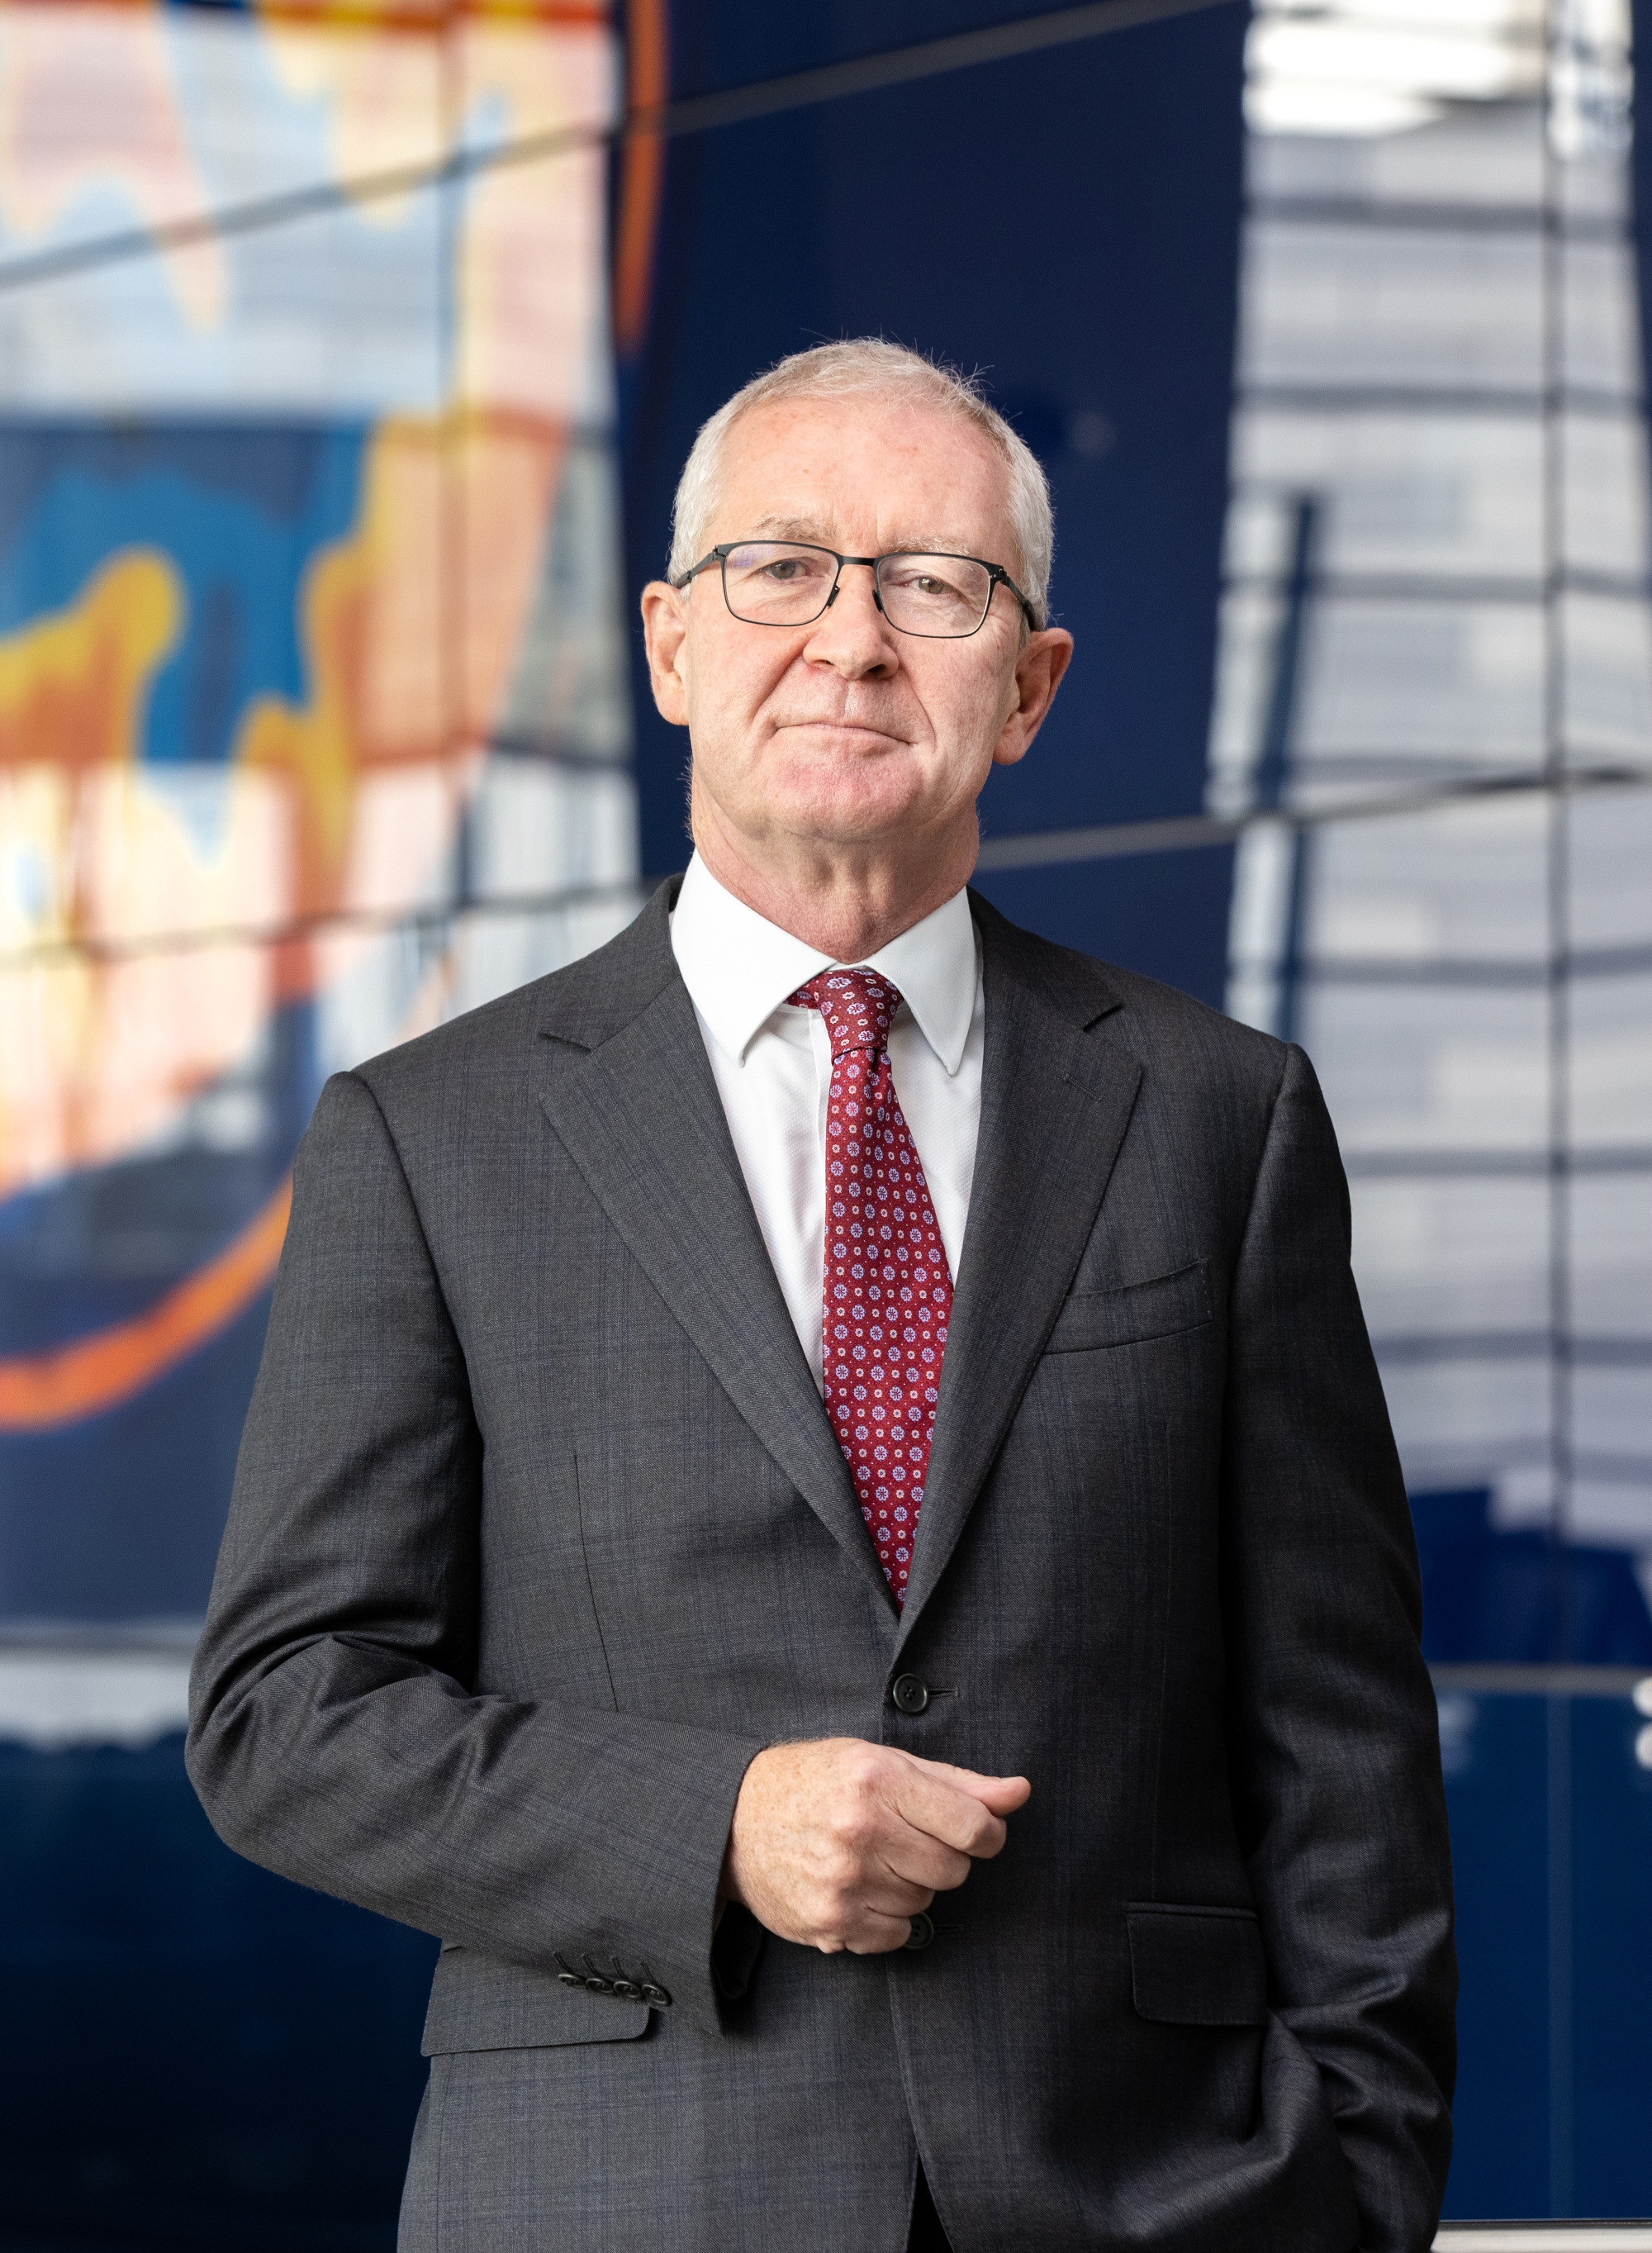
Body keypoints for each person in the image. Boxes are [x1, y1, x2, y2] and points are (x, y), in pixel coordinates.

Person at [188, 340, 1455, 2253]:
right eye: (781, 567)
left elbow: (1335, 1732)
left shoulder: (1221, 1115)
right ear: (669, 643)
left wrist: (1357, 2189)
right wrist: (712, 1824)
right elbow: (285, 1713)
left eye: (934, 584)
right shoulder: (431, 1136)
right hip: (622, 2196)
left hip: (1153, 2192)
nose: (851, 640)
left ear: (1028, 686)